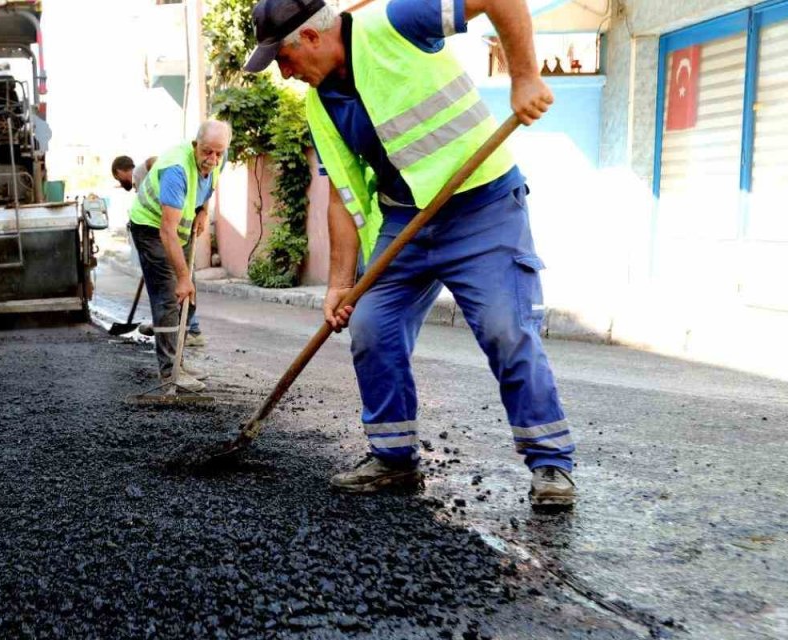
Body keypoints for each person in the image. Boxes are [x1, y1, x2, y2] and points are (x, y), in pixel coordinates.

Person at [244, 0, 574, 509]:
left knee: (505, 328)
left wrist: (524, 78)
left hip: (481, 206)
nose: (284, 74)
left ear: (310, 38)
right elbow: (343, 196)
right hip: (405, 220)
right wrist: (338, 284)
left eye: (282, 59)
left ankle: (550, 462)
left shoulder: (396, 21)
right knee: (371, 325)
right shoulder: (321, 103)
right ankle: (392, 458)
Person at [127, 121, 230, 392]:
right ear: (196, 145)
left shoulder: (218, 155)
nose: (213, 159)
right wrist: (182, 278)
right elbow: (167, 231)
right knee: (170, 296)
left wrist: (203, 211)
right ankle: (168, 372)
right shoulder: (176, 170)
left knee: (188, 298)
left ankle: (178, 363)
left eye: (219, 154)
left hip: (178, 232)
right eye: (208, 152)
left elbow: (209, 185)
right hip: (152, 229)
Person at [113, 154, 207, 346]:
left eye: (118, 178)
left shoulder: (140, 172)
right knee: (174, 284)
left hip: (168, 233)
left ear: (119, 172)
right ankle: (182, 329)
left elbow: (157, 160)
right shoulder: (143, 176)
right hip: (161, 234)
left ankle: (190, 330)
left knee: (176, 285)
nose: (121, 182)